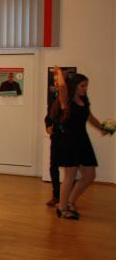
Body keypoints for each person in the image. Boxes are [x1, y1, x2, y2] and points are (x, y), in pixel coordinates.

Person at [53, 67, 106, 220]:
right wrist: (59, 72)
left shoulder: (84, 102)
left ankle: (70, 202)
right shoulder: (66, 102)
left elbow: (91, 118)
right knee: (70, 176)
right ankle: (62, 209)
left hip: (83, 140)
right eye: (82, 86)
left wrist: (102, 128)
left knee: (90, 175)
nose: (85, 88)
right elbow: (62, 87)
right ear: (74, 86)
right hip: (69, 141)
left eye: (86, 86)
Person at [44, 102, 64, 208]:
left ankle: (69, 198)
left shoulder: (73, 102)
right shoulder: (55, 102)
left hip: (71, 139)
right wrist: (48, 126)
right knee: (53, 166)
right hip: (56, 138)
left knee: (72, 169)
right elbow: (48, 117)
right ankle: (56, 195)